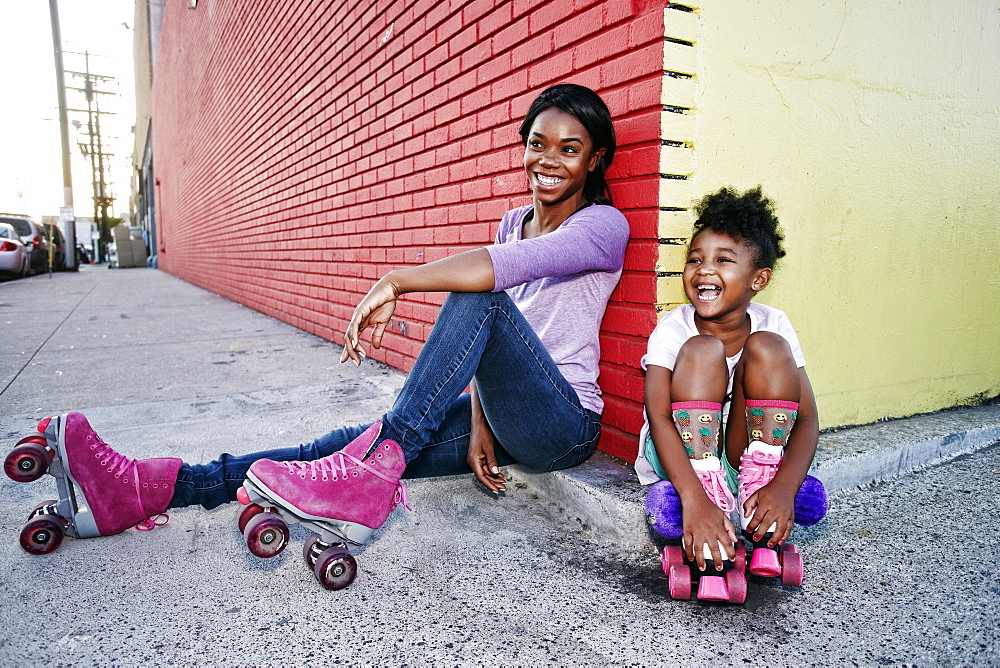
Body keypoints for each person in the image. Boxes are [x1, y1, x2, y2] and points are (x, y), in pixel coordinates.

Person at [11, 84, 630, 553]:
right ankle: (145, 488)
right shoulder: (512, 223)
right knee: (332, 450)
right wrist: (479, 422)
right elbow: (492, 343)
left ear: (595, 159)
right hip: (502, 416)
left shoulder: (603, 227)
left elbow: (493, 282)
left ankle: (372, 474)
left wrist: (396, 280)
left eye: (570, 149)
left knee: (476, 297)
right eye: (537, 144)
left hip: (564, 426)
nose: (549, 160)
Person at [637, 187, 826, 598]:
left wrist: (784, 489)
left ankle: (756, 498)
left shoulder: (773, 321)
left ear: (759, 279)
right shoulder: (674, 328)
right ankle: (710, 504)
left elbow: (808, 418)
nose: (704, 270)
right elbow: (659, 417)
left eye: (723, 260)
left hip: (745, 456)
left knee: (769, 346)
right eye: (695, 259)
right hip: (683, 452)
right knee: (705, 350)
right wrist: (693, 499)